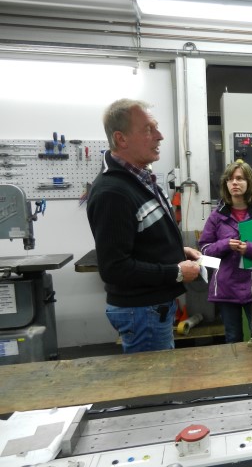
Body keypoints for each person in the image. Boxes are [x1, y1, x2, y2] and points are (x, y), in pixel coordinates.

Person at [87, 98, 202, 353]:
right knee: (156, 377)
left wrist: (177, 252)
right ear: (121, 139)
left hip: (151, 309)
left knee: (161, 373)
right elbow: (115, 268)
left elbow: (142, 239)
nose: (160, 136)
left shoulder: (140, 179)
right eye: (149, 129)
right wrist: (176, 271)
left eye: (156, 127)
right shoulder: (113, 192)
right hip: (142, 311)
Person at [198, 160, 252, 343]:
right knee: (233, 337)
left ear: (249, 182)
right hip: (226, 286)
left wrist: (250, 248)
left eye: (240, 178)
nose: (234, 182)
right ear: (225, 184)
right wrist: (225, 244)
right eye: (230, 179)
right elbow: (204, 251)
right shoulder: (216, 216)